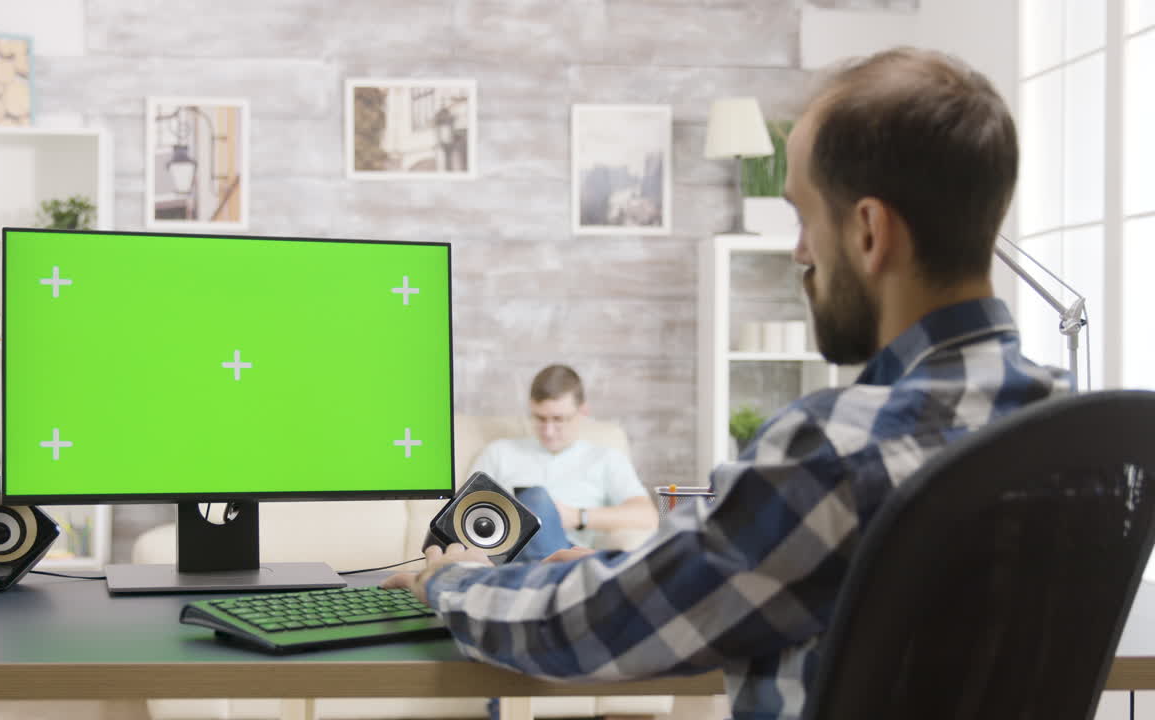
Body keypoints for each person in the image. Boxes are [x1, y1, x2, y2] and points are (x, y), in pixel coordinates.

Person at [386, 47, 1070, 720]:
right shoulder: (1070, 425)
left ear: (868, 232)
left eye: (804, 218)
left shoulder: (836, 451)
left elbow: (595, 627)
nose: (800, 250)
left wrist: (451, 581)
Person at [467, 364, 658, 563]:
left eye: (559, 419)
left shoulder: (605, 458)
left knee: (537, 498)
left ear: (583, 411)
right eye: (540, 418)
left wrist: (577, 517)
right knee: (533, 499)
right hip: (507, 555)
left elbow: (646, 516)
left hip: (568, 552)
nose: (548, 431)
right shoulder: (499, 452)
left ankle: (541, 579)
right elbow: (463, 514)